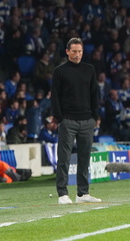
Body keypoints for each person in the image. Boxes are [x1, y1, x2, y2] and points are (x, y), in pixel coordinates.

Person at [51, 37, 101, 205]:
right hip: (68, 121)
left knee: (85, 158)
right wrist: (60, 118)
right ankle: (62, 194)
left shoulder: (89, 69)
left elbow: (95, 94)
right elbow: (55, 96)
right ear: (67, 52)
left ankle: (82, 193)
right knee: (63, 158)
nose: (77, 54)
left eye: (80, 51)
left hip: (87, 121)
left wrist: (95, 116)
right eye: (74, 51)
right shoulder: (60, 71)